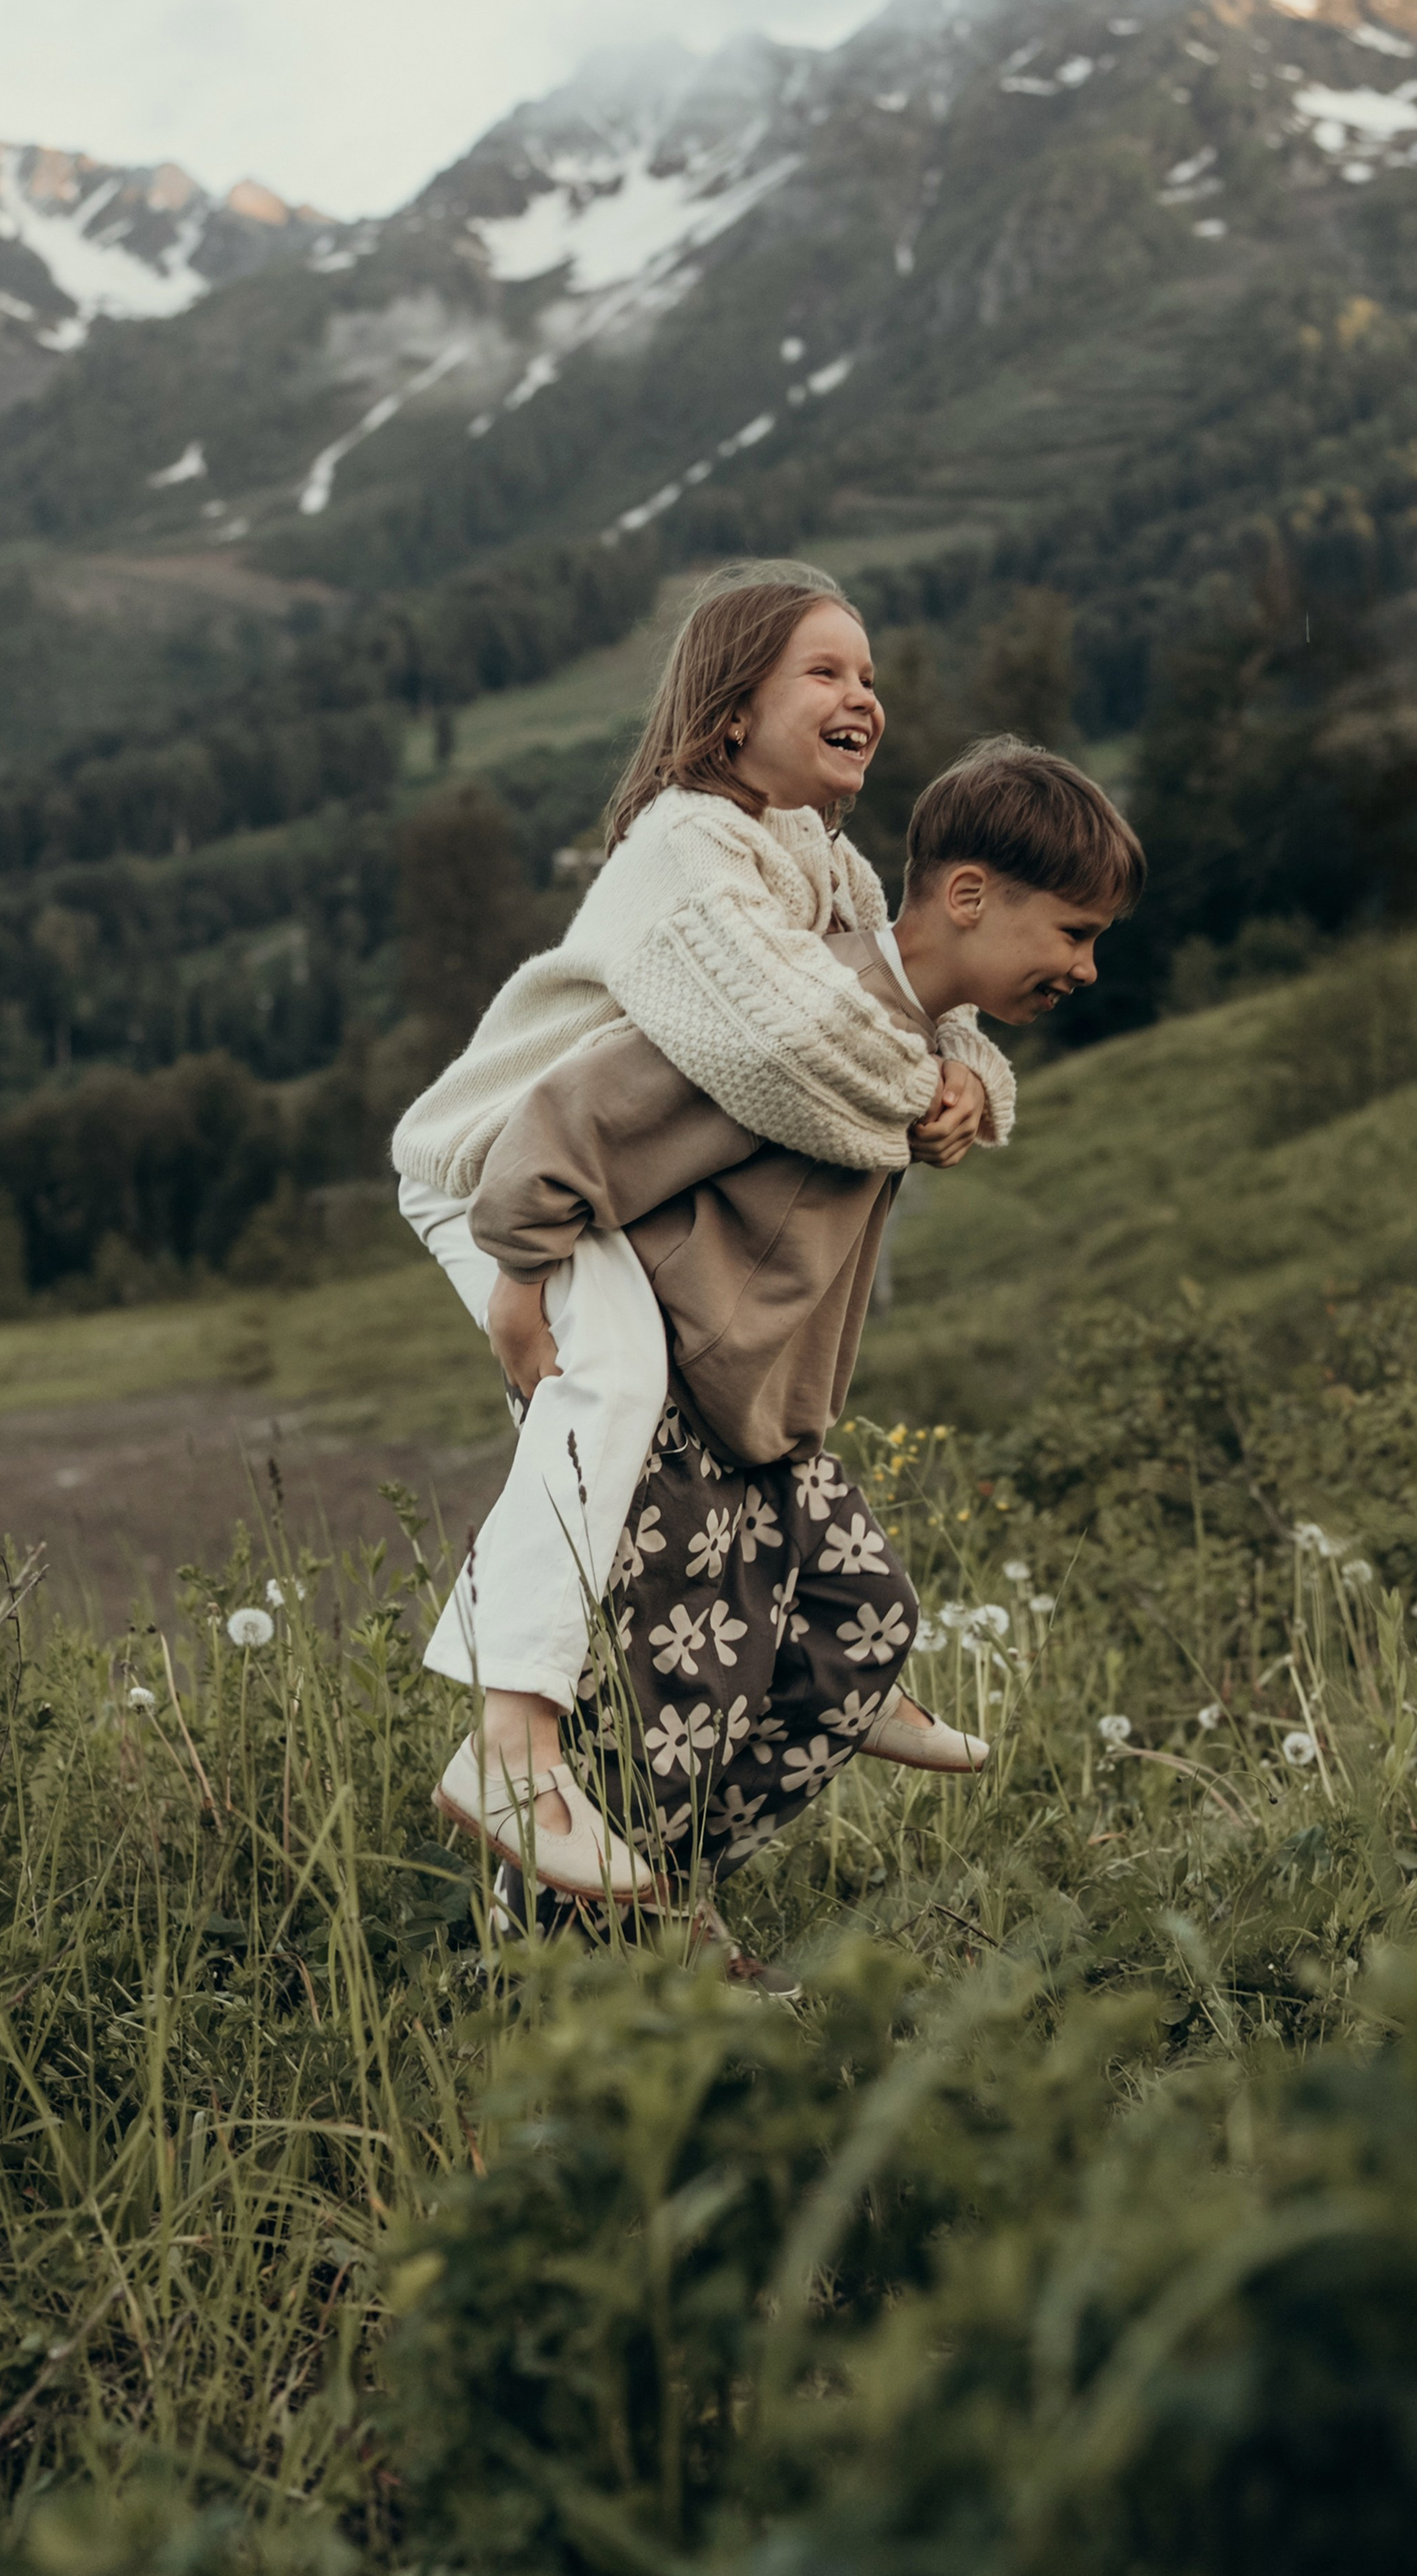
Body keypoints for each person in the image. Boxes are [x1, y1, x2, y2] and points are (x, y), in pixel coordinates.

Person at [393, 562, 1017, 1903]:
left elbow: (910, 991)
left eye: (871, 675)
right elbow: (782, 1041)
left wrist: (977, 1080)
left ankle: (845, 1664)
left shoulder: (824, 859)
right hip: (498, 1165)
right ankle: (512, 1746)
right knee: (609, 1379)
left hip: (589, 1183)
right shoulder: (686, 842)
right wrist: (522, 1278)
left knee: (708, 1399)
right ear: (732, 712)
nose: (867, 695)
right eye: (828, 671)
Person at [464, 739, 1146, 1961]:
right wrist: (524, 1283)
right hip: (676, 1396)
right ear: (973, 896)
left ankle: (653, 1894)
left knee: (867, 1621)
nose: (1088, 966)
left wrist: (973, 1083)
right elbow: (570, 1117)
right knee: (684, 1694)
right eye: (1076, 932)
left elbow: (951, 1064)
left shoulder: (921, 1045)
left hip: (766, 1410)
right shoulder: (794, 1015)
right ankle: (562, 1958)